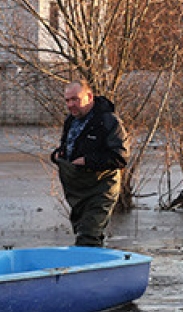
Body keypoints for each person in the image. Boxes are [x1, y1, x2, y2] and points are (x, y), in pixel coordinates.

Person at [50, 82, 129, 247]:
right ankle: (97, 268)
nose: (71, 104)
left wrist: (88, 161)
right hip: (78, 191)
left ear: (89, 97)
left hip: (102, 189)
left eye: (75, 99)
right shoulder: (71, 120)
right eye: (67, 100)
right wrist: (58, 155)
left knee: (88, 236)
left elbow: (120, 157)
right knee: (81, 231)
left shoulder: (108, 121)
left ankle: (89, 271)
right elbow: (68, 147)